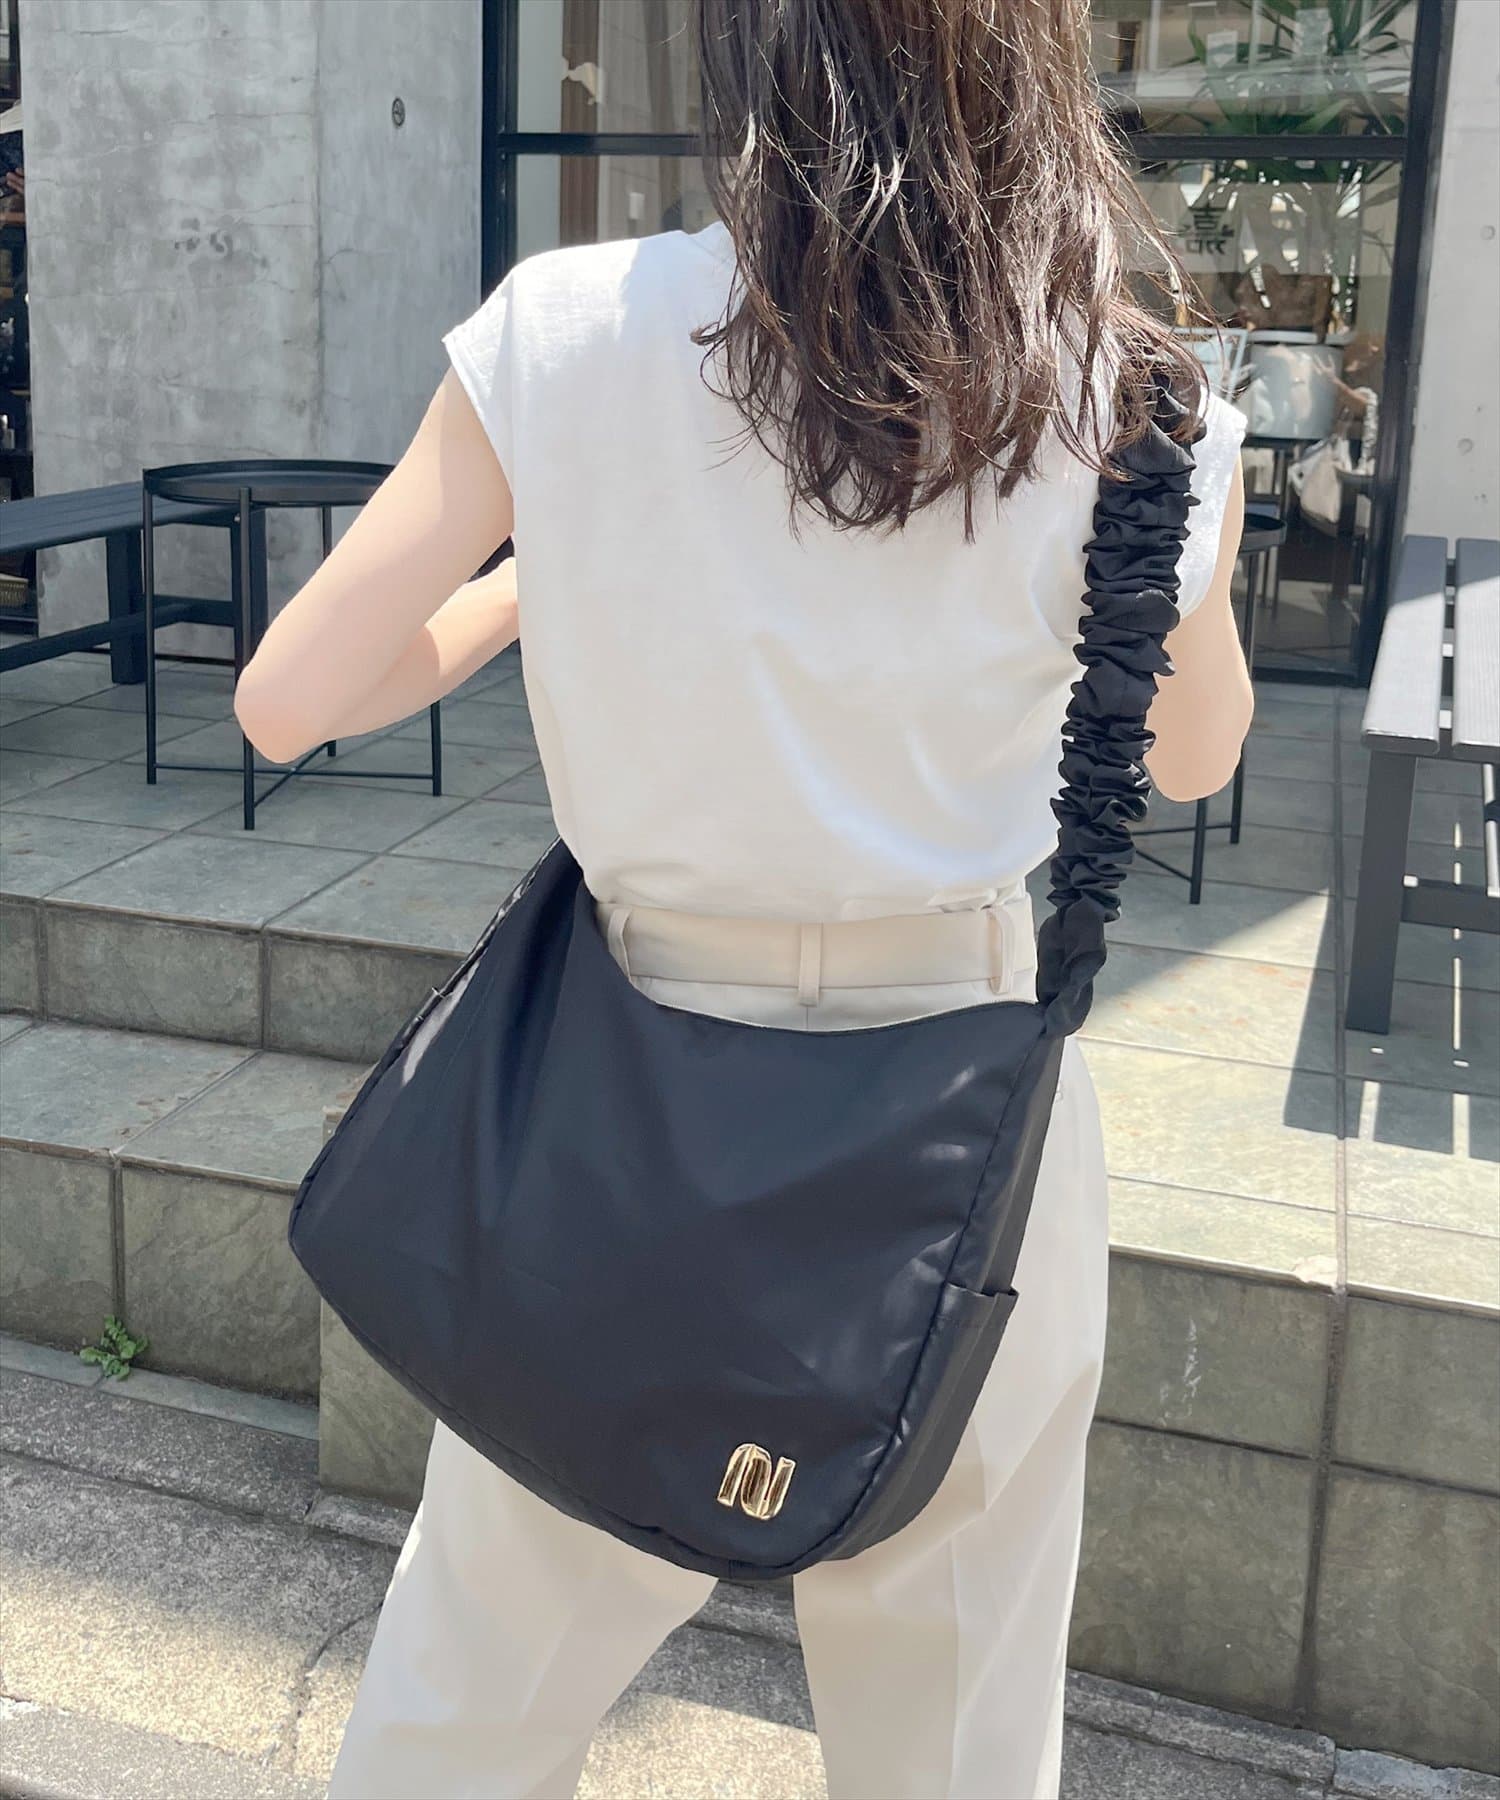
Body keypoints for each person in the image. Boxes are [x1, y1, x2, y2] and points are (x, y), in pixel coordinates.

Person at [235, 3, 1252, 1795]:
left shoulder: (567, 332)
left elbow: (292, 698)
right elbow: (1193, 752)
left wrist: (545, 572)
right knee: (951, 1718)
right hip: (968, 1107)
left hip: (626, 1104)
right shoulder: (1136, 397)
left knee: (470, 1698)